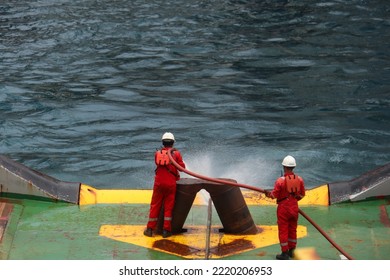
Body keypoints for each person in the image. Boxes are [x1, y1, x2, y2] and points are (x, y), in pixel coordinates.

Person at [144, 132, 186, 238]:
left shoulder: (157, 153)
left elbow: (157, 164)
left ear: (163, 142)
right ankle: (166, 231)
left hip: (158, 183)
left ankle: (149, 229)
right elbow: (182, 167)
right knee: (168, 207)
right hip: (171, 184)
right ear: (173, 143)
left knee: (155, 206)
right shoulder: (176, 154)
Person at [265, 155, 305, 260]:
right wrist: (294, 200)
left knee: (283, 230)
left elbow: (274, 195)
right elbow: (302, 195)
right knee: (293, 229)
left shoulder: (280, 181)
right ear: (293, 167)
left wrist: (267, 194)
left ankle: (284, 253)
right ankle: (292, 251)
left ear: (284, 167)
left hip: (283, 208)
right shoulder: (299, 180)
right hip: (294, 207)